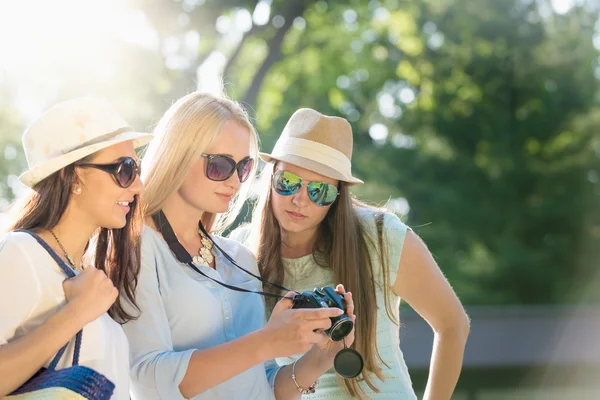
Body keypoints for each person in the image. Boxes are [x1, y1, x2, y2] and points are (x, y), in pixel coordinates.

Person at [122, 91, 355, 400]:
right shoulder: (135, 250)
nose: (235, 181)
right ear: (178, 154)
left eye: (243, 167)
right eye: (220, 165)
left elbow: (266, 384)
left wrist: (321, 357)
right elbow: (148, 381)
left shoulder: (239, 257)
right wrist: (267, 341)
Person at [230, 108, 471, 399]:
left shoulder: (381, 236)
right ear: (269, 178)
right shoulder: (240, 251)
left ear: (338, 197)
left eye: (320, 191)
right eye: (288, 182)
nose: (299, 200)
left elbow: (453, 324)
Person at [0, 97, 152, 399]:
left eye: (137, 169)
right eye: (125, 169)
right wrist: (76, 312)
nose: (137, 186)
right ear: (74, 176)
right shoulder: (21, 253)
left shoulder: (85, 273)